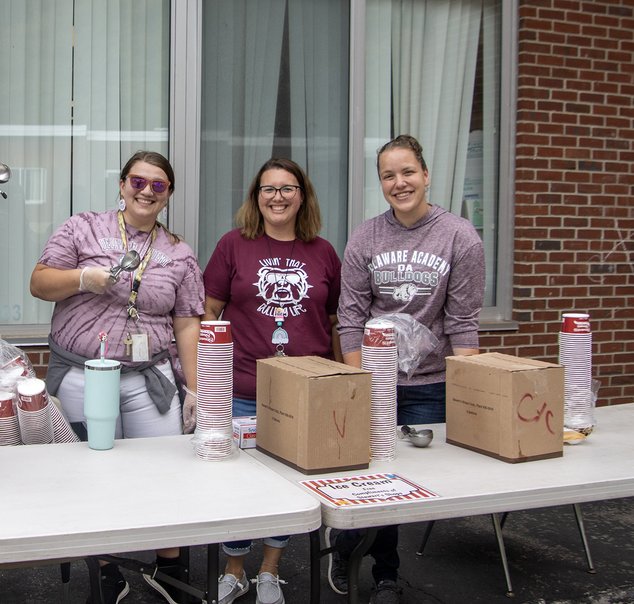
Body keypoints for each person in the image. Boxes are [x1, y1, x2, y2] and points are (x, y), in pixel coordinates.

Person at [30, 150, 204, 604]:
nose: (146, 191)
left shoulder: (178, 252)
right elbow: (39, 281)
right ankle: (107, 574)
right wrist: (83, 278)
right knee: (93, 476)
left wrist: (196, 386)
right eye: (138, 181)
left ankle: (170, 570)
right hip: (84, 375)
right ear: (122, 184)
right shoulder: (82, 227)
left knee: (165, 474)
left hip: (152, 378)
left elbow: (187, 320)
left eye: (158, 185)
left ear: (168, 195)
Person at [334, 134, 484, 604]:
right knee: (375, 481)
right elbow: (351, 319)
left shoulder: (460, 236)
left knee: (416, 483)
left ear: (425, 175)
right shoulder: (366, 236)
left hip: (433, 383)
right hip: (376, 381)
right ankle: (382, 572)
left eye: (407, 172)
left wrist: (473, 396)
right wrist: (361, 386)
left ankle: (353, 547)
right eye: (388, 175)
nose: (399, 183)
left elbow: (462, 323)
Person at [203, 158, 342, 604]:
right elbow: (209, 314)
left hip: (306, 392)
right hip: (244, 386)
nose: (277, 197)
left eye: (287, 188)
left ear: (302, 195)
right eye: (268, 189)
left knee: (288, 487)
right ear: (255, 197)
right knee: (240, 485)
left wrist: (342, 380)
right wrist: (206, 381)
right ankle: (234, 569)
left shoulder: (323, 252)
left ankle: (269, 571)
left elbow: (335, 319)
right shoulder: (233, 245)